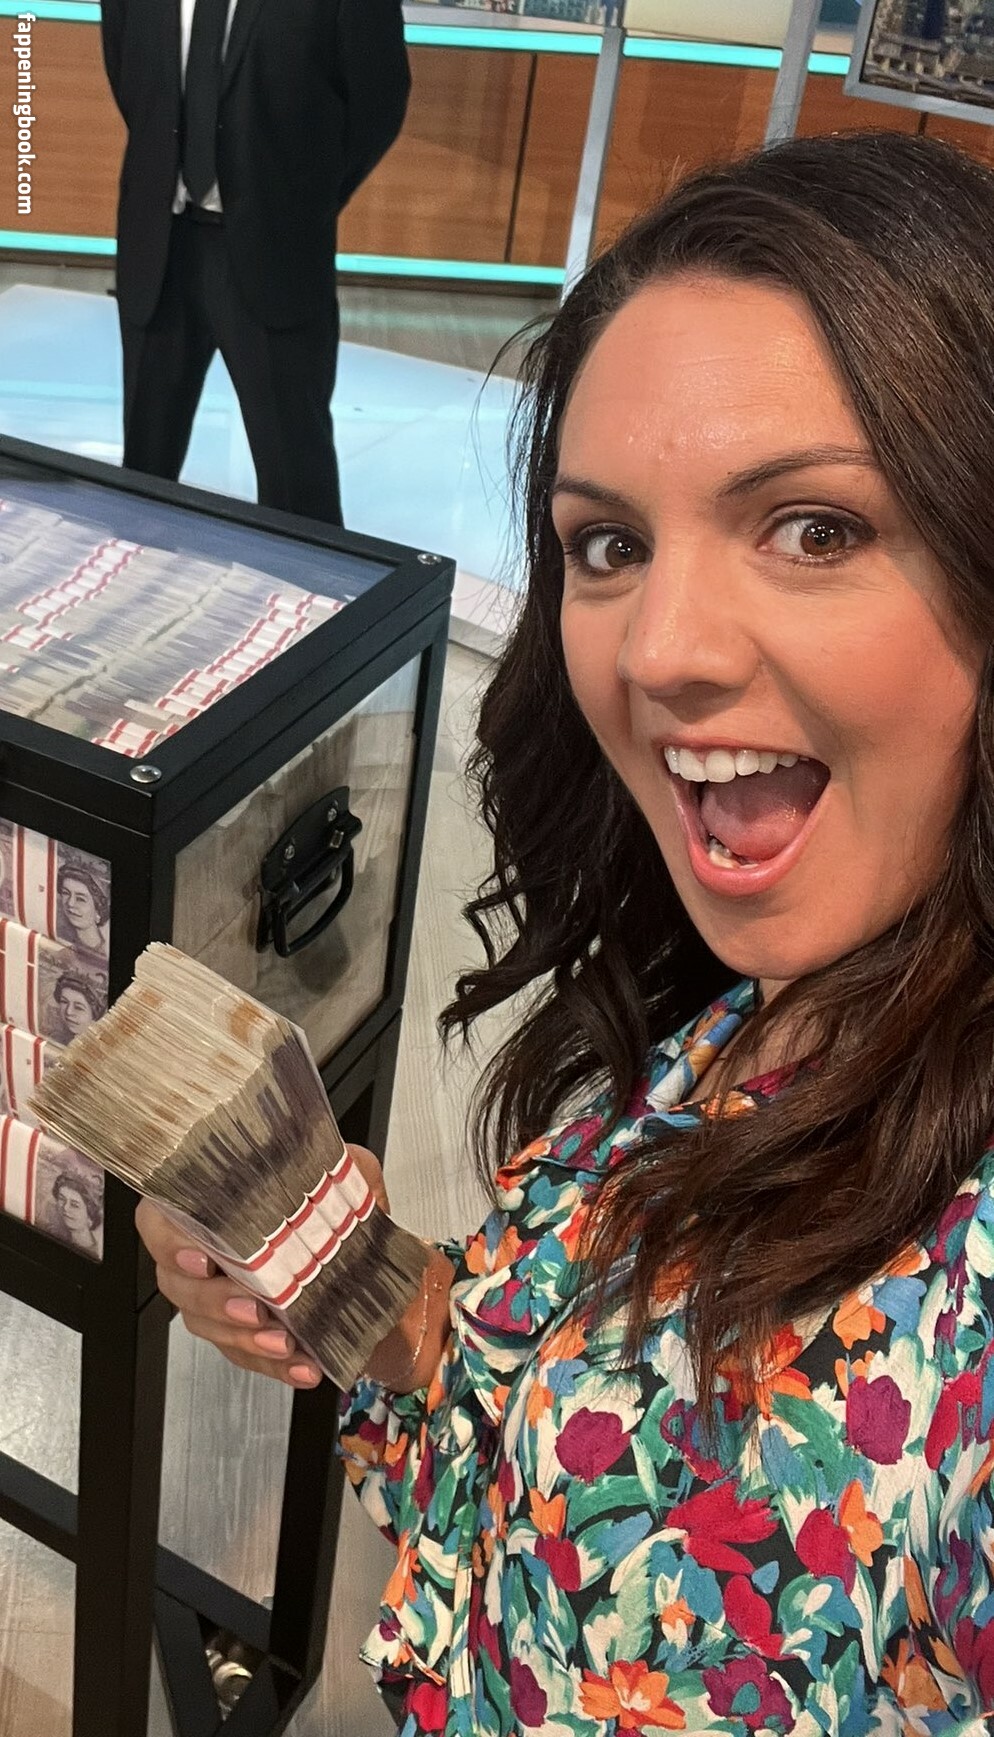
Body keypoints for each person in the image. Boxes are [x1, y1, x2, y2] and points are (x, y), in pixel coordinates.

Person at [136, 130, 994, 1734]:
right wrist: (356, 1283)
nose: (657, 649)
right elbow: (567, 1438)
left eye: (812, 527)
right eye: (608, 544)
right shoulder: (763, 991)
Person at [98, 0, 410, 526]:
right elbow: (128, 75)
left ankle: (308, 581)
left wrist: (303, 198)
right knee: (144, 474)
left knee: (296, 481)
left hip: (278, 251)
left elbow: (378, 102)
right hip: (159, 244)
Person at [57, 863, 110, 956]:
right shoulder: (64, 948)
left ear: (98, 910)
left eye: (80, 899)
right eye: (66, 893)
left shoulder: (104, 954)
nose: (70, 903)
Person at [51, 1169, 104, 1257]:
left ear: (90, 1215)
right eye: (62, 1199)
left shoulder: (92, 1253)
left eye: (74, 1205)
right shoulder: (58, 1236)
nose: (65, 1208)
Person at [52, 973, 105, 1043]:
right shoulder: (54, 1037)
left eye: (78, 1007)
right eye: (64, 1002)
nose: (68, 1012)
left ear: (95, 1014)